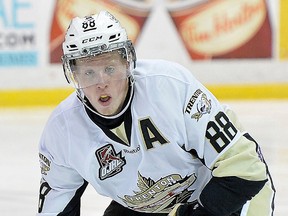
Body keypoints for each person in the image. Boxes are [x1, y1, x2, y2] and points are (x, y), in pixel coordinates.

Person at [37, 10, 275, 216]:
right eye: (89, 73)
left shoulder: (169, 87)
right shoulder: (63, 131)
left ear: (127, 63)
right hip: (153, 206)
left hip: (231, 192)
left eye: (110, 68)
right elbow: (56, 207)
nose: (101, 83)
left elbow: (246, 170)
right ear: (74, 75)